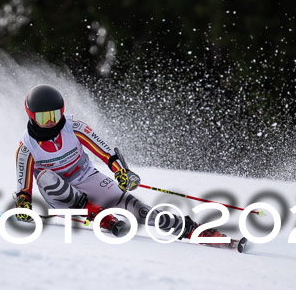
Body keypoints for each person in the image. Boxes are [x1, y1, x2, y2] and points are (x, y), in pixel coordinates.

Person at [13, 84, 227, 242]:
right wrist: (24, 204)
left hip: (86, 178)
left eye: (55, 114)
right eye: (43, 118)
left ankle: (190, 229)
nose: (51, 121)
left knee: (140, 211)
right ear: (32, 116)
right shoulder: (27, 147)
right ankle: (101, 217)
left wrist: (121, 172)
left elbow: (106, 152)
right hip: (60, 195)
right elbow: (23, 187)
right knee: (46, 177)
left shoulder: (73, 126)